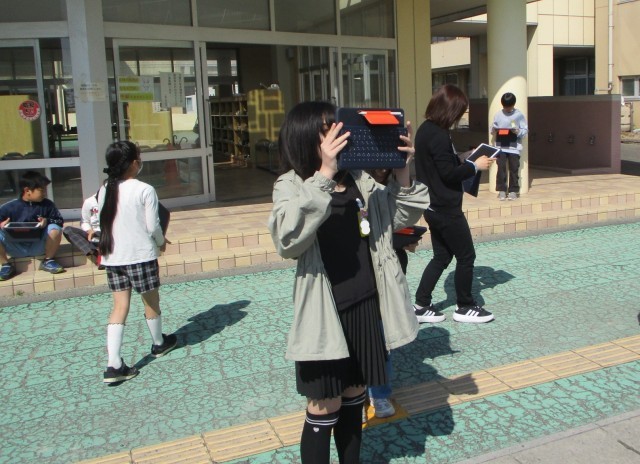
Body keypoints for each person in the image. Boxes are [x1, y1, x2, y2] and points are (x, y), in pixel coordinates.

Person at [268, 101, 429, 463]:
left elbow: (400, 215)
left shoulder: (357, 178)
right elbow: (288, 240)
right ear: (308, 136)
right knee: (324, 407)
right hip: (325, 312)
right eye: (330, 127)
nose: (341, 133)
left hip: (364, 304)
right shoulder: (291, 184)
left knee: (355, 398)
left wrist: (403, 170)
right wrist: (324, 174)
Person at [413, 84, 496, 324]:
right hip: (446, 208)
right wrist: (474, 166)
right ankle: (465, 306)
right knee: (466, 256)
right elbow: (448, 174)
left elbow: (441, 165)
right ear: (450, 110)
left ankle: (421, 305)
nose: (460, 117)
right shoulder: (439, 134)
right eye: (460, 111)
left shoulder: (426, 129)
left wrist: (465, 157)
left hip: (432, 205)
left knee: (441, 257)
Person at [98, 141, 177, 384]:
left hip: (114, 257)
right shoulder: (144, 189)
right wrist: (161, 242)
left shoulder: (105, 189)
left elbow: (101, 222)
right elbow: (153, 226)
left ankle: (113, 364)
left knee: (119, 307)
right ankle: (158, 343)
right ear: (134, 163)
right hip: (141, 255)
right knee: (151, 301)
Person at [364, 167, 422, 420]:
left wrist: (403, 171)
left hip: (387, 265)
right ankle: (357, 395)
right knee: (357, 335)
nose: (381, 166)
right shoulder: (349, 179)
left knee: (382, 335)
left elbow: (403, 215)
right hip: (357, 267)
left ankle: (379, 392)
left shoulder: (394, 180)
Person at [0, 171, 65, 281]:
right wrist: (1, 224)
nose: (45, 193)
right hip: (15, 247)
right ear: (27, 191)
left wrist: (47, 221)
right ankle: (5, 265)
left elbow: (59, 221)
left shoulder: (48, 205)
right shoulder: (9, 207)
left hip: (39, 246)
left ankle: (48, 260)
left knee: (55, 228)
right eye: (41, 190)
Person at [491, 92, 528, 201]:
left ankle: (513, 191)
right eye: (505, 107)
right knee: (501, 168)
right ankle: (502, 190)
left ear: (513, 104)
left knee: (514, 168)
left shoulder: (519, 115)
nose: (507, 109)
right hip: (500, 146)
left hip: (514, 147)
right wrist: (494, 130)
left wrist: (517, 131)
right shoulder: (498, 115)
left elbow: (525, 131)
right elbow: (492, 129)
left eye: (509, 107)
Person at [62, 191, 104, 269]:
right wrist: (89, 231)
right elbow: (84, 221)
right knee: (68, 230)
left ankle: (103, 257)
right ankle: (95, 252)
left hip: (109, 235)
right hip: (94, 234)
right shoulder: (89, 202)